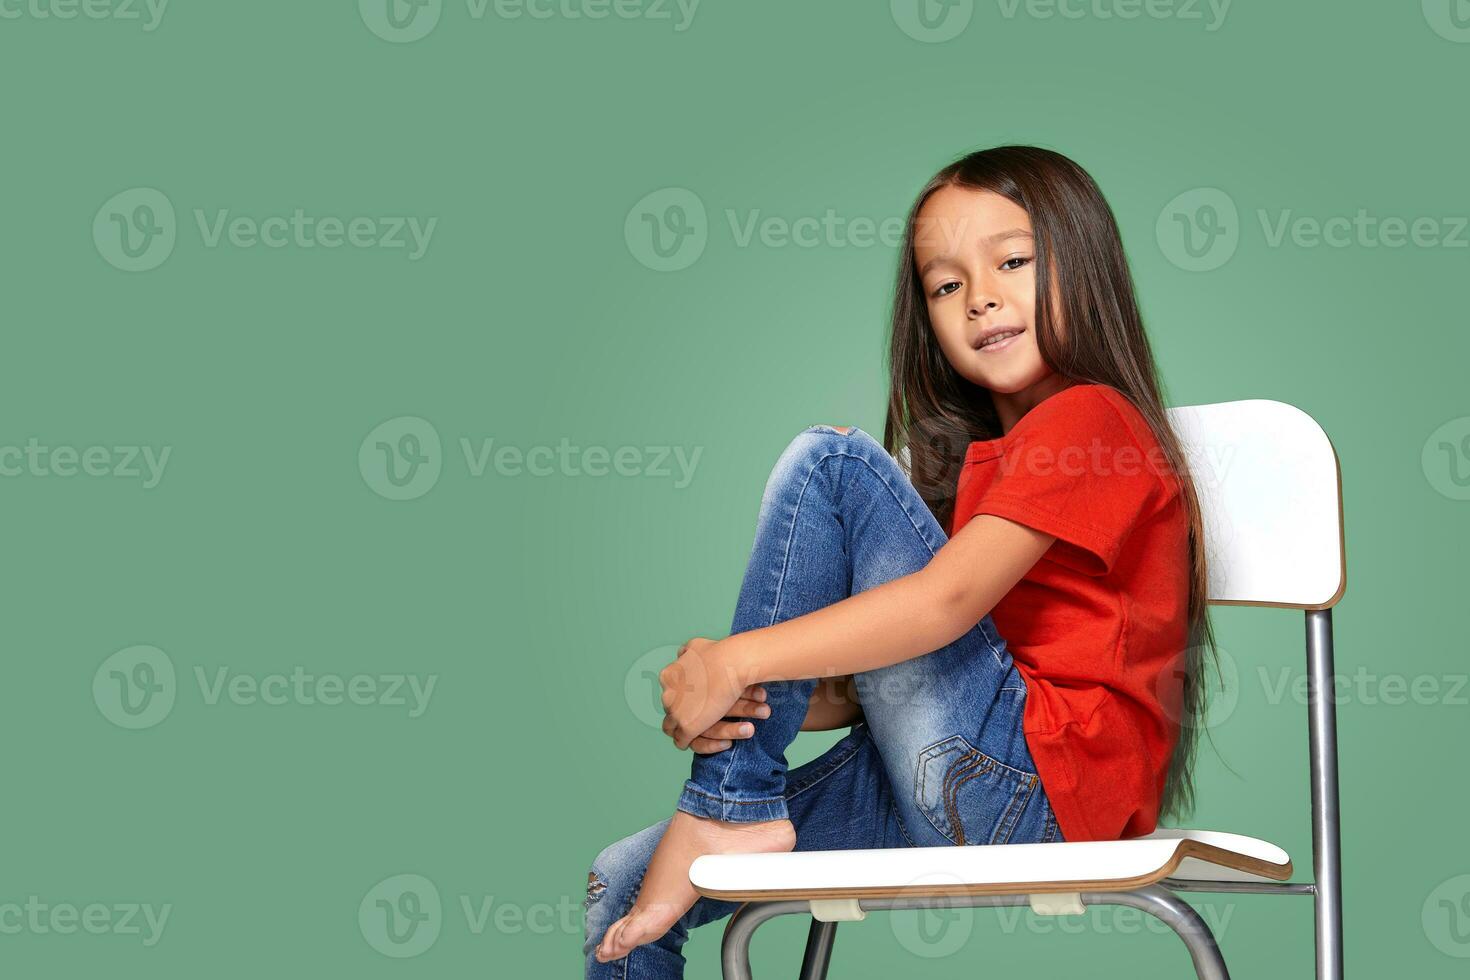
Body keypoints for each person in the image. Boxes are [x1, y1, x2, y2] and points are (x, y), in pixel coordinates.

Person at [584, 144, 1218, 977]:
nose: (981, 297)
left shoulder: (1092, 422)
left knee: (832, 465)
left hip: (1036, 788)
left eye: (1014, 261)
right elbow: (890, 678)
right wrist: (735, 701)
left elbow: (945, 606)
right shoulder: (993, 459)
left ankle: (727, 801)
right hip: (960, 776)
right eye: (946, 285)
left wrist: (738, 658)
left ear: (1085, 262)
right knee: (622, 886)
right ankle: (727, 797)